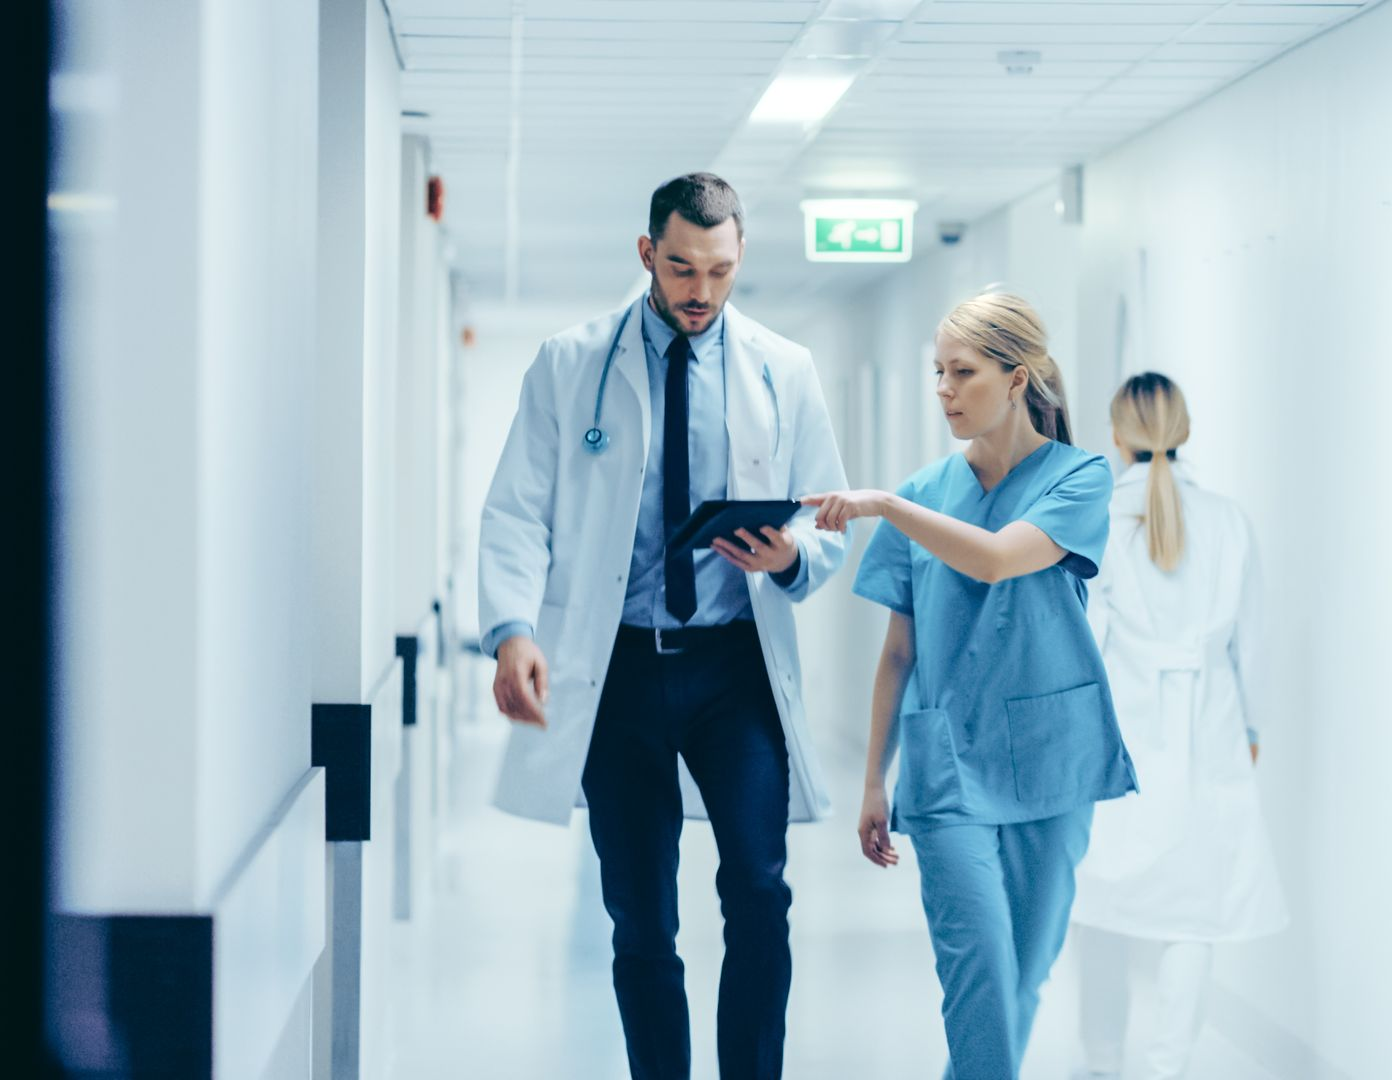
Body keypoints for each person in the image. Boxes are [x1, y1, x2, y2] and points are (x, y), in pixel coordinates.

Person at [478, 172, 850, 1080]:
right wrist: (513, 628)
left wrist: (790, 557)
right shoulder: (571, 366)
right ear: (647, 254)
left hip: (734, 669)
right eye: (681, 268)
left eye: (719, 272)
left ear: (739, 258)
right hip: (620, 673)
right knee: (641, 918)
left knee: (759, 892)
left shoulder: (782, 369)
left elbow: (825, 517)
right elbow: (517, 511)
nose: (700, 292)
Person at [804, 292, 1137, 1080]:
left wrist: (883, 504)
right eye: (937, 373)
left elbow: (993, 556)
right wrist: (872, 783)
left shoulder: (1080, 477)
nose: (945, 390)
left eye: (962, 372)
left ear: (1017, 379)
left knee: (1020, 979)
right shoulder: (924, 493)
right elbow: (897, 654)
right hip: (947, 763)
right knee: (978, 981)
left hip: (1054, 762)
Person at [1070, 372, 1288, 1080]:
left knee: (1102, 901)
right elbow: (1249, 646)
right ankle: (1169, 1067)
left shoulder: (1097, 517)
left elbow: (1084, 643)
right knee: (1195, 911)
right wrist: (1247, 733)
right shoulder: (1228, 520)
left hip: (1118, 741)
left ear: (1116, 433)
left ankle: (1102, 1062)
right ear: (1183, 430)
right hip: (1210, 731)